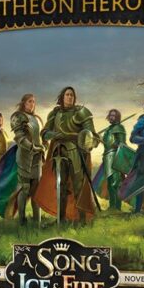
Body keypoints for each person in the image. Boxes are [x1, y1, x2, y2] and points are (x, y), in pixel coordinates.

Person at [34, 86, 99, 223]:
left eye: (72, 95)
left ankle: (81, 220)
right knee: (61, 186)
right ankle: (61, 218)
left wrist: (88, 140)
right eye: (67, 95)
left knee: (78, 186)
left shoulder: (81, 112)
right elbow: (44, 133)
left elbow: (92, 136)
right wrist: (55, 135)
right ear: (62, 97)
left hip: (76, 151)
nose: (70, 97)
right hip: (58, 152)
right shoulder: (55, 113)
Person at [10, 94, 45, 225]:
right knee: (24, 188)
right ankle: (22, 220)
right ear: (24, 103)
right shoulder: (18, 117)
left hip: (37, 158)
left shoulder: (37, 119)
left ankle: (37, 221)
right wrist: (32, 147)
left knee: (37, 190)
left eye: (34, 102)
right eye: (29, 101)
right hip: (24, 157)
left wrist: (44, 146)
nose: (32, 104)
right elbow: (20, 138)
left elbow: (41, 137)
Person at [101, 109, 127, 210]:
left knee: (116, 183)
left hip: (116, 157)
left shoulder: (119, 127)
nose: (111, 117)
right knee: (109, 183)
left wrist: (115, 144)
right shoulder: (108, 129)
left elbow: (122, 143)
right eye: (110, 115)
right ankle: (112, 206)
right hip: (107, 157)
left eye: (114, 116)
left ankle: (117, 207)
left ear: (117, 117)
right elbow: (105, 142)